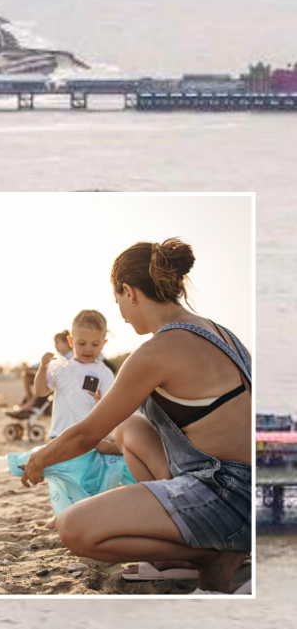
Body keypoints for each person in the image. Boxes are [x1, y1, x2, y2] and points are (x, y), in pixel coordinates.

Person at [19, 239, 251, 594]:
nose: (123, 316)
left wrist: (39, 459)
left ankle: (210, 556)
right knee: (129, 427)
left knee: (73, 527)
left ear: (129, 292)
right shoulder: (222, 334)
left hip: (229, 497)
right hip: (258, 486)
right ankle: (183, 555)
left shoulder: (158, 350)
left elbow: (85, 434)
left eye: (118, 303)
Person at [33, 311, 116, 441]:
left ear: (103, 344)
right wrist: (43, 369)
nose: (88, 349)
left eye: (95, 344)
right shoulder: (62, 368)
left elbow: (111, 410)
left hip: (89, 436)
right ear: (71, 342)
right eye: (82, 343)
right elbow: (40, 391)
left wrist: (101, 405)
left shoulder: (105, 373)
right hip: (59, 434)